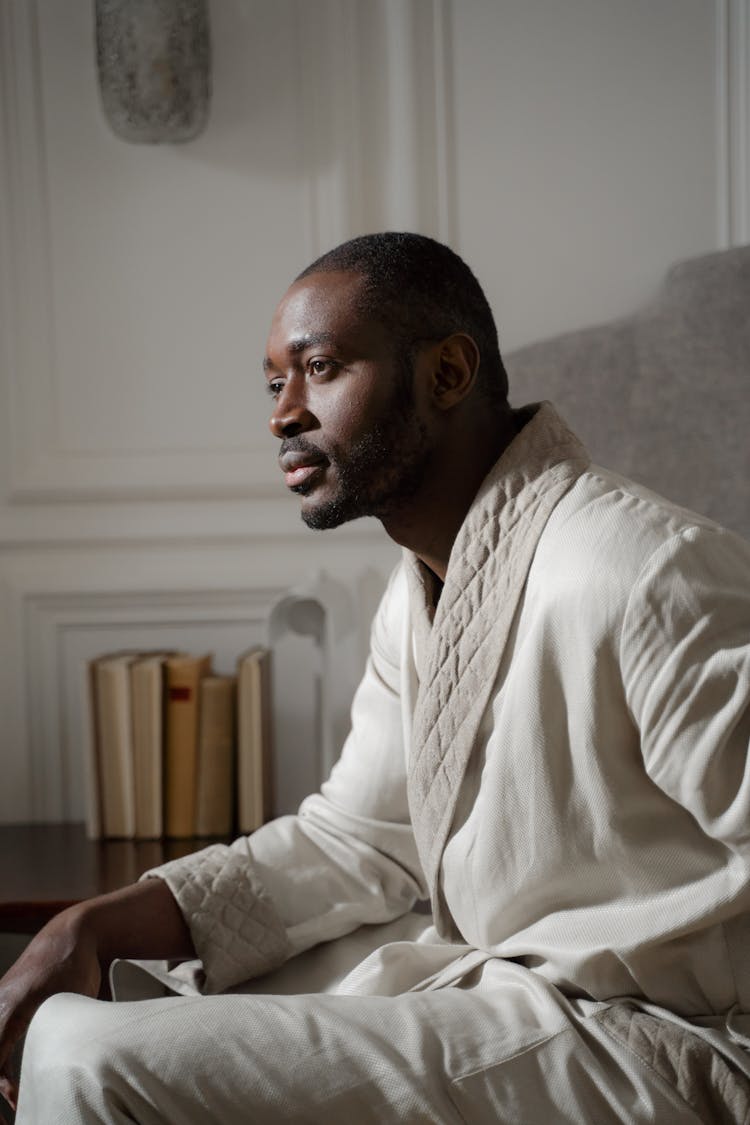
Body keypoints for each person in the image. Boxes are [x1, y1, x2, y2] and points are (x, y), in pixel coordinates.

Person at [1, 232, 750, 1123]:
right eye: (274, 382)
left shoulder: (646, 570)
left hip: (666, 1040)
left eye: (320, 367)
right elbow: (358, 837)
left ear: (446, 373)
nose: (283, 413)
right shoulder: (420, 590)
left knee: (83, 1055)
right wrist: (96, 922)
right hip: (519, 988)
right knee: (124, 993)